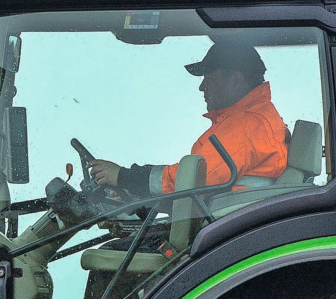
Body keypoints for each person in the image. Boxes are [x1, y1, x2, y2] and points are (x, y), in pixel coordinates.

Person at [85, 39, 289, 197]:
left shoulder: (247, 124)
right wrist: (139, 193)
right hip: (223, 225)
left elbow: (194, 180)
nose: (202, 87)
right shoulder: (255, 119)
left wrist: (124, 177)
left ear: (236, 80)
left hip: (224, 235)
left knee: (97, 253)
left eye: (208, 78)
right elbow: (199, 189)